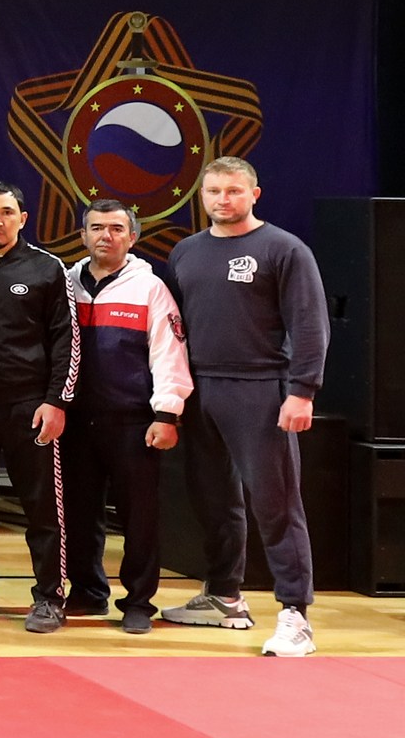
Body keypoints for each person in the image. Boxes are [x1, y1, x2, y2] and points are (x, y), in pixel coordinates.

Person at [161, 158, 329, 656]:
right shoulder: (186, 251)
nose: (222, 199)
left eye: (233, 190)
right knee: (213, 499)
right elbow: (176, 328)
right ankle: (224, 596)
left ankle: (296, 614)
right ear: (202, 195)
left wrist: (302, 390)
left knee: (276, 504)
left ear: (255, 194)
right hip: (200, 389)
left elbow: (310, 325)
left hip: (260, 389)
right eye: (213, 191)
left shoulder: (284, 249)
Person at [0, 181, 78, 634]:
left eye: (6, 212)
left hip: (30, 408)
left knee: (42, 509)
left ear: (22, 218)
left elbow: (66, 340)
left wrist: (56, 401)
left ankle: (50, 597)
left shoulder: (47, 268)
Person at [66, 199, 191, 636]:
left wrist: (167, 414)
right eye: (97, 228)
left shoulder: (151, 289)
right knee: (79, 514)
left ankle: (138, 601)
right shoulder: (66, 284)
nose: (106, 236)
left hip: (133, 422)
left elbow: (169, 354)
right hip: (76, 423)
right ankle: (87, 592)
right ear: (83, 236)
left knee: (139, 518)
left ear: (133, 237)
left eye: (117, 228)